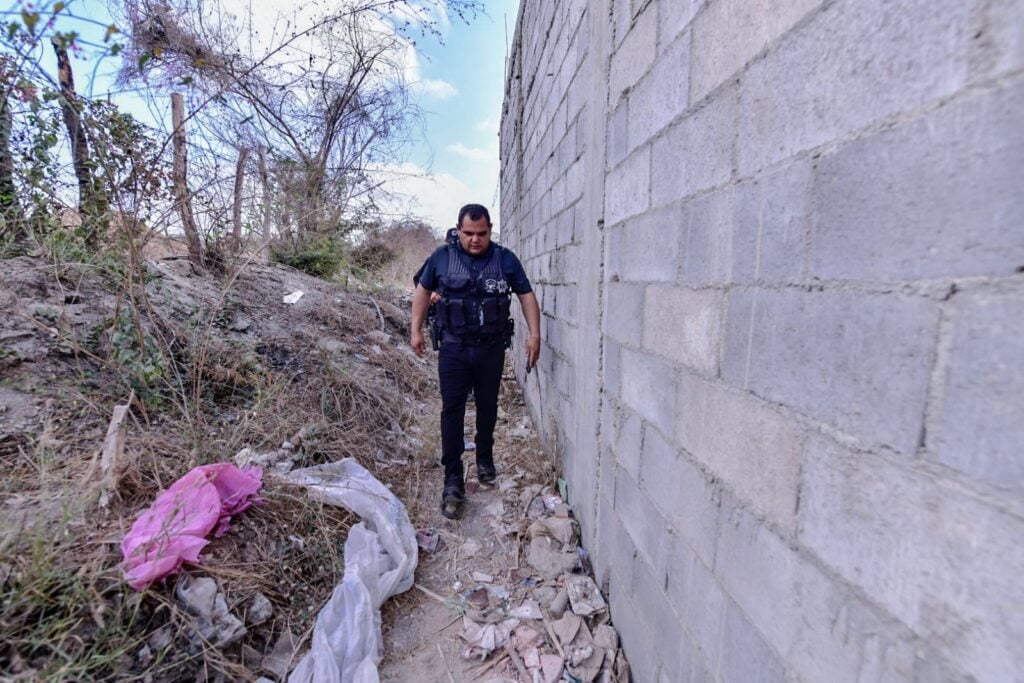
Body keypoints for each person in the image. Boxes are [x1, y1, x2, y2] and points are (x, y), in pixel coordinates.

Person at [411, 204, 541, 519]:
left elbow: (525, 295)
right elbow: (422, 290)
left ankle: (484, 459)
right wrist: (415, 329)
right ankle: (452, 477)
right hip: (454, 349)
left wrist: (534, 334)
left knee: (487, 406)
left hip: (491, 349)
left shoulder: (505, 259)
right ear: (458, 230)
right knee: (452, 409)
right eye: (468, 233)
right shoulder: (442, 258)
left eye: (481, 233)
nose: (474, 240)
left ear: (490, 230)